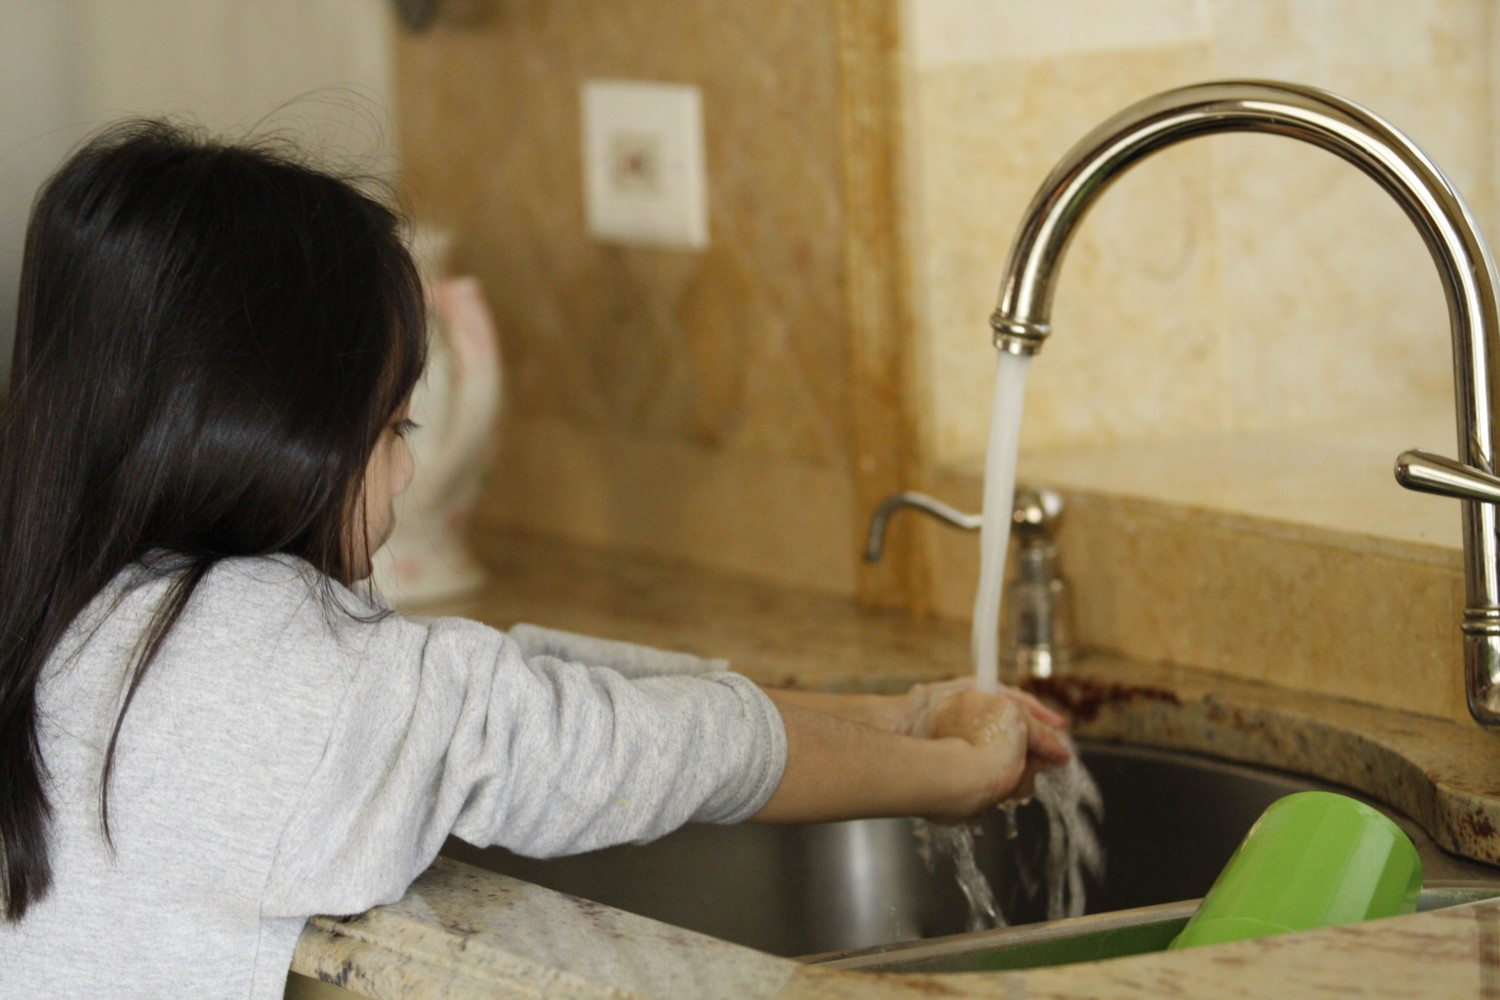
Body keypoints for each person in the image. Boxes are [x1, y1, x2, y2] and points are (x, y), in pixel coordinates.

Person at [0, 121, 1070, 999]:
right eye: (394, 430)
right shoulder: (278, 674)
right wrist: (945, 773)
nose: (408, 475)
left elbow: (518, 687)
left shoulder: (97, 616)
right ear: (262, 428)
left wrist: (894, 715)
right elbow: (631, 745)